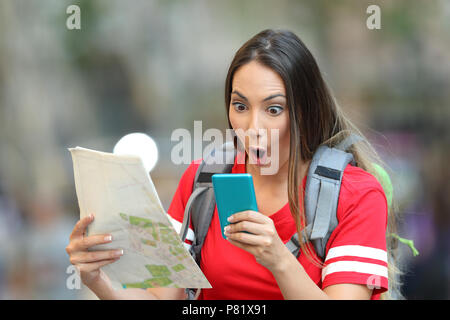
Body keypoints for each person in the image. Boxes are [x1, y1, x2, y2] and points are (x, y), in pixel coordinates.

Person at [66, 29, 400, 300]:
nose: (252, 127)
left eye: (273, 109)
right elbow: (159, 296)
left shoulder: (356, 194)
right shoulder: (202, 181)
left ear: (306, 113)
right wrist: (98, 280)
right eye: (240, 106)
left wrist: (278, 259)